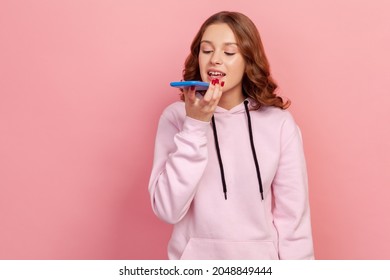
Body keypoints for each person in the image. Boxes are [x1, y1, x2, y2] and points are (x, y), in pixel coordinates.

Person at [148, 11, 314, 260]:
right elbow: (167, 209)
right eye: (206, 50)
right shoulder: (176, 117)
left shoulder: (279, 124)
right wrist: (195, 124)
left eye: (228, 52)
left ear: (248, 60)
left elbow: (294, 223)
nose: (215, 60)